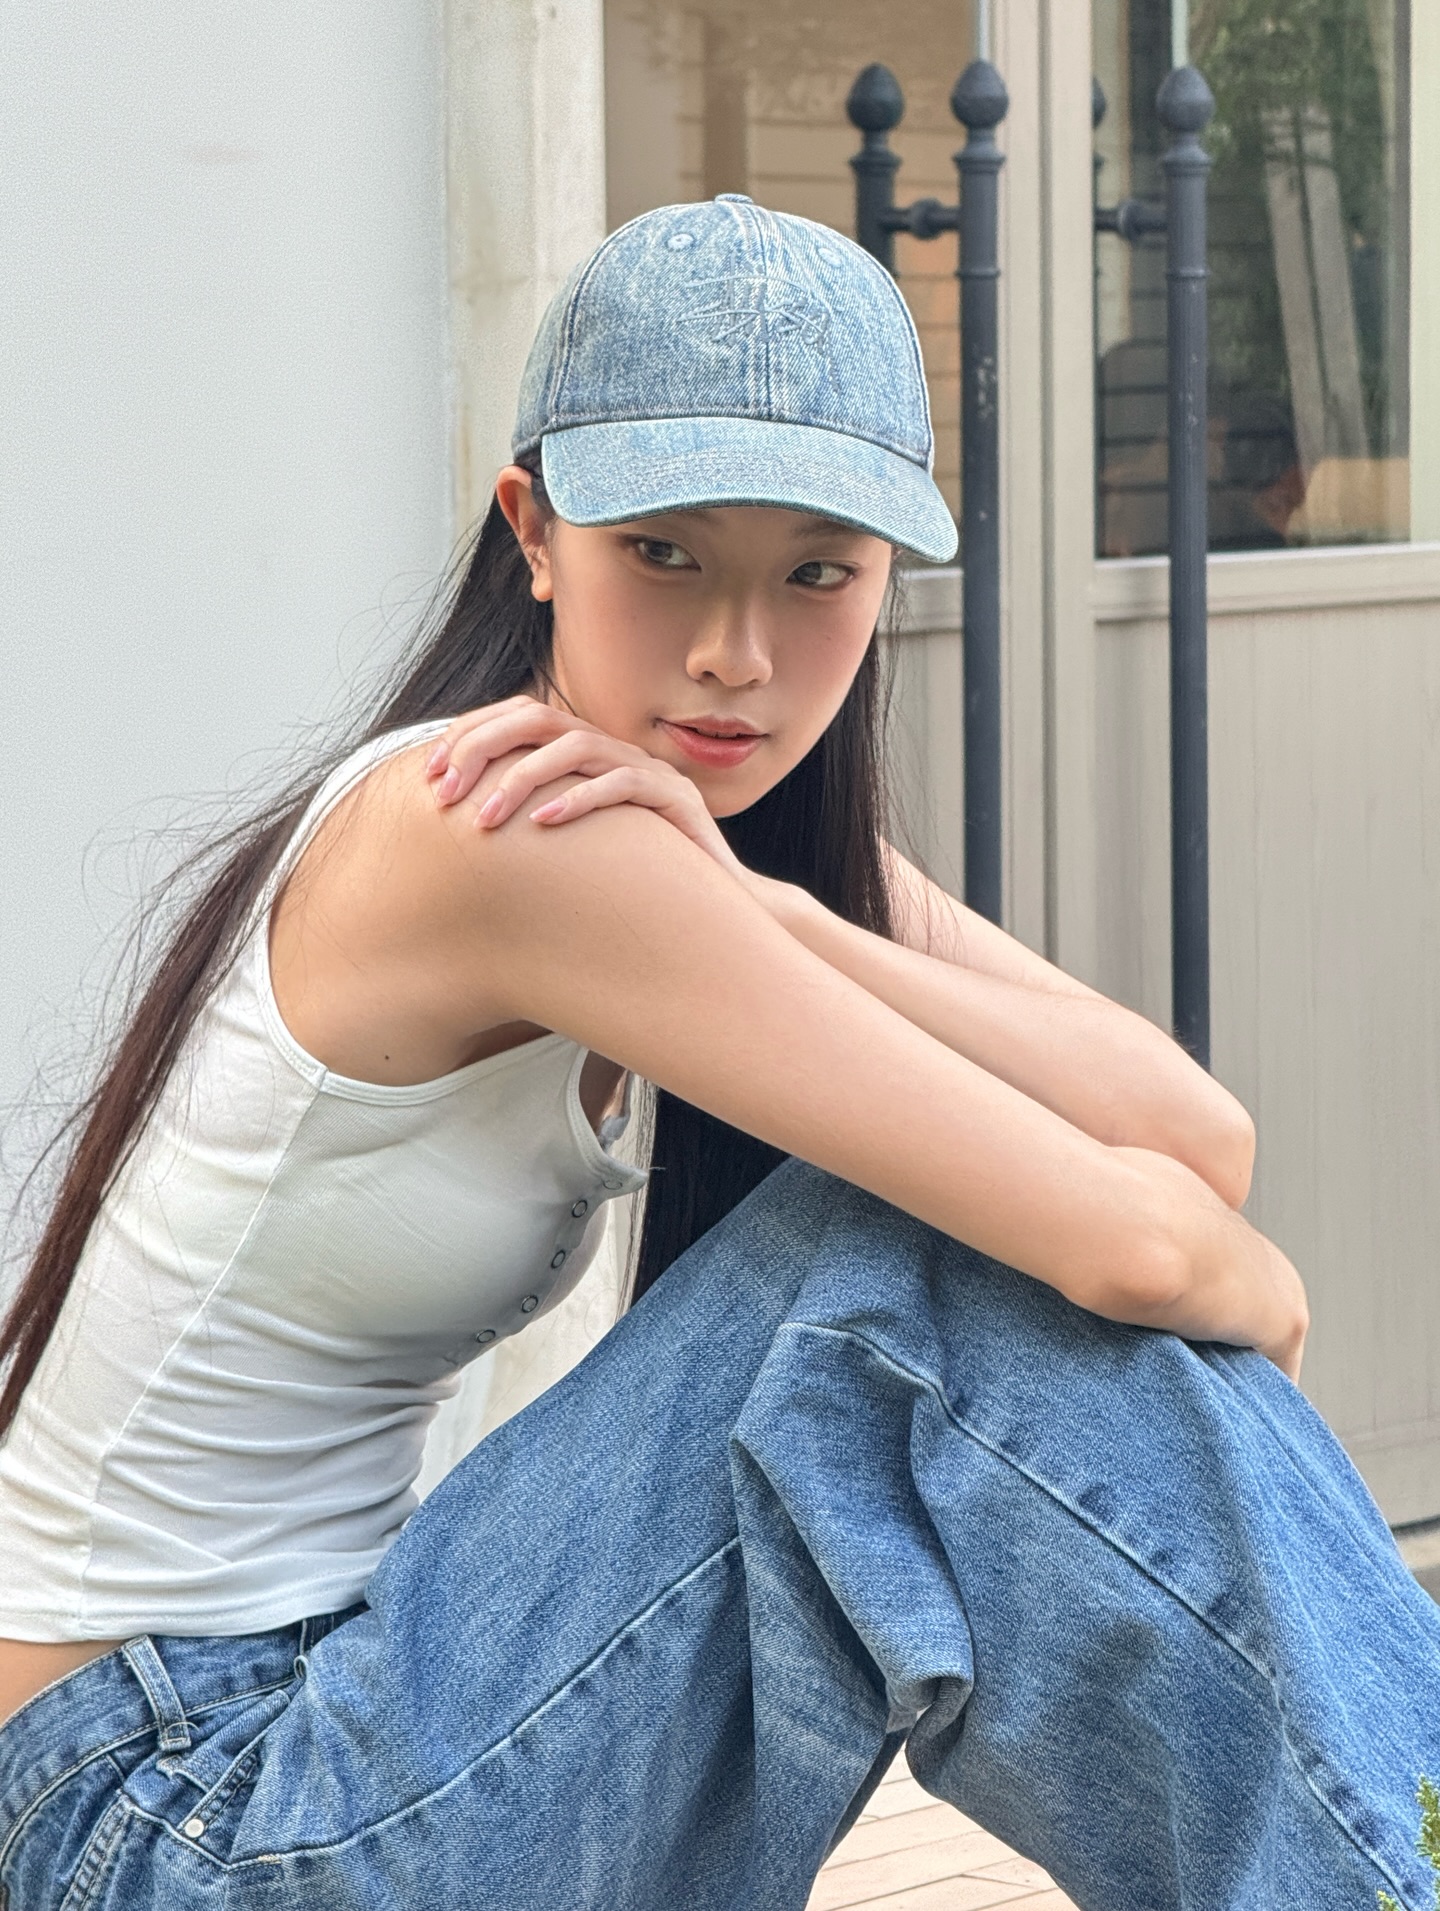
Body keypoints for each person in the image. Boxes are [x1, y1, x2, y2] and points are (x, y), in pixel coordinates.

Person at [0, 194, 1435, 1911]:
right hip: (168, 1820)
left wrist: (790, 909)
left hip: (301, 1730)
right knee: (896, 1274)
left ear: (883, 581)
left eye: (817, 573)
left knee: (914, 1264)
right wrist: (1257, 1290)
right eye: (664, 555)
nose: (733, 657)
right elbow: (1145, 1242)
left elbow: (1193, 1137)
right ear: (534, 532)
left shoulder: (684, 829)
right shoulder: (506, 827)